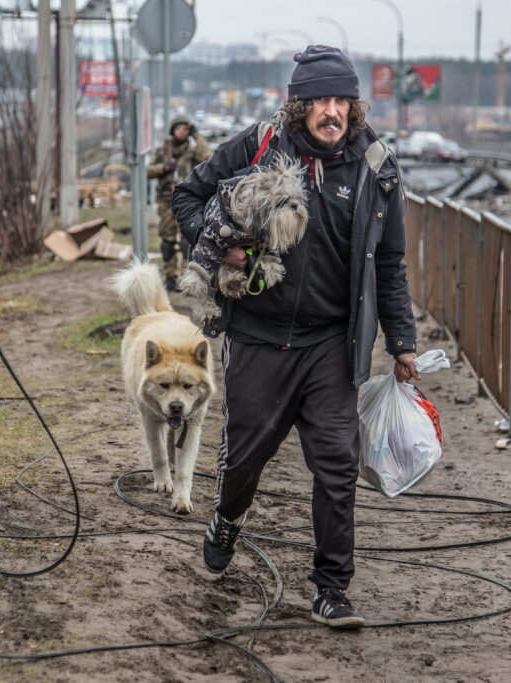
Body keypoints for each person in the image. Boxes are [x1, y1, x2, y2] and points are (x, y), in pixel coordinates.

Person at [172, 45, 419, 630]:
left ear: (354, 108)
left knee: (336, 465)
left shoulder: (376, 166)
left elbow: (391, 264)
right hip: (258, 337)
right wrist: (220, 246)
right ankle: (226, 520)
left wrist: (403, 342)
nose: (331, 112)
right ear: (299, 104)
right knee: (243, 461)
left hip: (332, 346)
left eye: (342, 102)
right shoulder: (258, 145)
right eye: (320, 101)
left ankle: (331, 588)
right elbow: (187, 196)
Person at [148, 115, 213, 290]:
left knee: (188, 241)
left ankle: (187, 278)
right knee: (168, 242)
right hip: (166, 201)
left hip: (187, 203)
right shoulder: (163, 150)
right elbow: (147, 171)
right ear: (173, 130)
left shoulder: (192, 151)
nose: (182, 132)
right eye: (179, 128)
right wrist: (164, 167)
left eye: (186, 129)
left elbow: (209, 156)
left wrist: (197, 136)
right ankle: (170, 277)